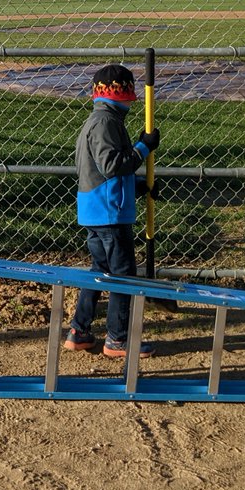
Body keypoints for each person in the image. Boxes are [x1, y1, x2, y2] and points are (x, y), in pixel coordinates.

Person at [64, 63, 160, 359]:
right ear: (122, 95)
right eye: (129, 93)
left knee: (100, 271)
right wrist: (143, 148)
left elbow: (105, 170)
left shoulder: (99, 120)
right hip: (108, 213)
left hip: (99, 208)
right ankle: (117, 339)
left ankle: (80, 332)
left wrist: (138, 186)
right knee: (122, 275)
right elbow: (111, 166)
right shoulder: (105, 123)